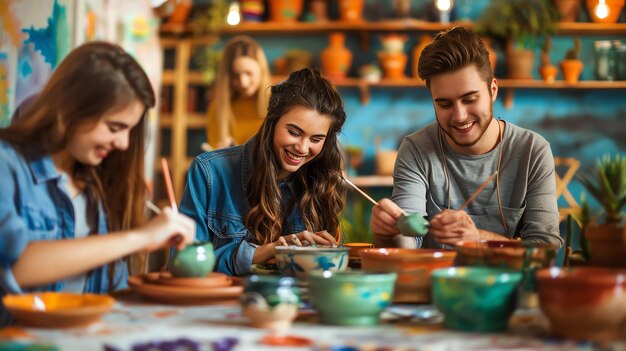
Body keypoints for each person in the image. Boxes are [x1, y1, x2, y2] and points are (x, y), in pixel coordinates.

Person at [0, 42, 196, 321]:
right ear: (70, 108)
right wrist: (140, 237)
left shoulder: (98, 182)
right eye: (115, 128)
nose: (124, 143)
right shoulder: (7, 164)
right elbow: (16, 265)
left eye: (129, 130)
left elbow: (113, 296)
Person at [370, 27, 563, 249]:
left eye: (469, 99)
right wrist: (387, 234)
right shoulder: (416, 149)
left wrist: (479, 239)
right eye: (444, 104)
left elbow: (546, 249)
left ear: (493, 90)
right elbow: (407, 244)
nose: (460, 116)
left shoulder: (532, 151)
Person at [180, 68, 347, 276]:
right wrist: (268, 251)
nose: (303, 149)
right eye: (294, 133)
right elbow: (183, 266)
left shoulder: (321, 180)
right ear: (272, 120)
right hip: (224, 304)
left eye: (316, 139)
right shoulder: (209, 171)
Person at [206, 35, 271, 150]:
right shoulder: (216, 110)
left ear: (262, 70)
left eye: (249, 73)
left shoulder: (278, 104)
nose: (243, 83)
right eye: (236, 76)